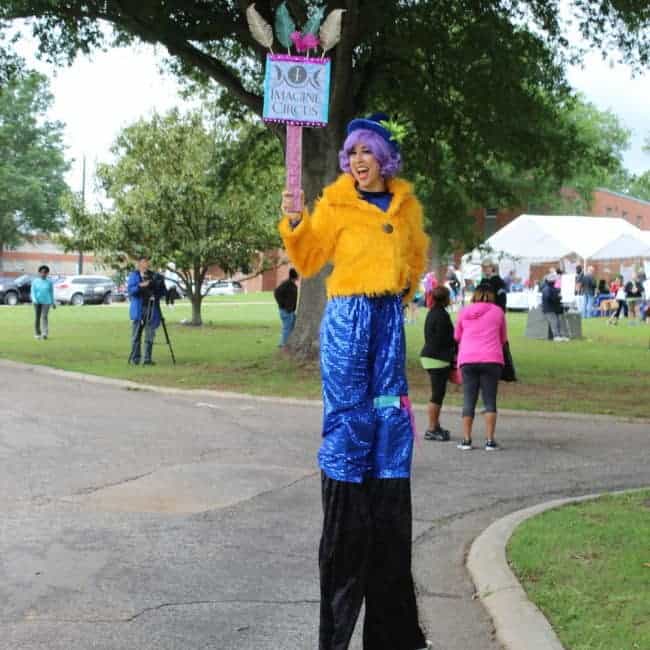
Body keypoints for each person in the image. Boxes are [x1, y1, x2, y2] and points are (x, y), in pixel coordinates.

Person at [279, 112, 431, 650]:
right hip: (348, 314)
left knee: (390, 403)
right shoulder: (337, 202)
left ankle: (386, 465)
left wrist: (402, 289)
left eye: (367, 153)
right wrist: (295, 222)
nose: (359, 162)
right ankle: (348, 466)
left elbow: (415, 257)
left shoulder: (406, 206)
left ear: (385, 157)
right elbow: (308, 255)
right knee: (350, 413)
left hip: (388, 315)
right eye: (352, 154)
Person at [453, 283, 508, 451]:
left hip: (468, 358)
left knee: (469, 400)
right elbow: (503, 338)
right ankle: (490, 440)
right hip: (492, 358)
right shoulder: (498, 312)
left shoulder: (464, 311)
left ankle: (466, 439)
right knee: (490, 400)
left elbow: (457, 336)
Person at [420, 285, 455, 441]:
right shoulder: (442, 316)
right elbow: (443, 338)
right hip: (437, 358)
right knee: (437, 394)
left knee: (438, 393)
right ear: (446, 299)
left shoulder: (432, 313)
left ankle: (436, 425)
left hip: (429, 356)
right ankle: (432, 428)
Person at [127, 255, 166, 365]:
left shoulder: (153, 275)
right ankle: (135, 359)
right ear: (139, 263)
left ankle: (147, 359)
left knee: (150, 334)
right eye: (144, 262)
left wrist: (159, 284)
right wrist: (141, 286)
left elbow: (161, 292)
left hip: (151, 308)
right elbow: (131, 291)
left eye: (147, 262)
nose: (146, 264)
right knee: (136, 335)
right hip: (139, 309)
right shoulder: (134, 276)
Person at [273, 268, 299, 347]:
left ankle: (288, 342)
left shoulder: (291, 285)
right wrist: (283, 305)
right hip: (286, 311)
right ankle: (282, 344)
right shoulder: (287, 285)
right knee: (287, 328)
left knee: (293, 324)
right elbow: (276, 293)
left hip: (290, 311)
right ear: (295, 276)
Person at [541, 273, 569, 341]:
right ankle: (556, 336)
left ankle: (560, 335)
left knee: (558, 322)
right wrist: (557, 298)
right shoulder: (547, 289)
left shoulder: (551, 289)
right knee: (554, 323)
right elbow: (549, 298)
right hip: (549, 309)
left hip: (554, 309)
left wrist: (557, 297)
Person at [30, 264, 56, 340]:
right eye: (42, 272)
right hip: (37, 302)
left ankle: (45, 333)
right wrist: (34, 300)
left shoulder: (49, 282)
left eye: (45, 272)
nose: (43, 274)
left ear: (47, 273)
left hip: (46, 302)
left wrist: (52, 302)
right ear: (39, 273)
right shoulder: (35, 281)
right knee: (37, 317)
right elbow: (32, 292)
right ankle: (37, 333)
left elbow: (51, 292)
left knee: (44, 317)